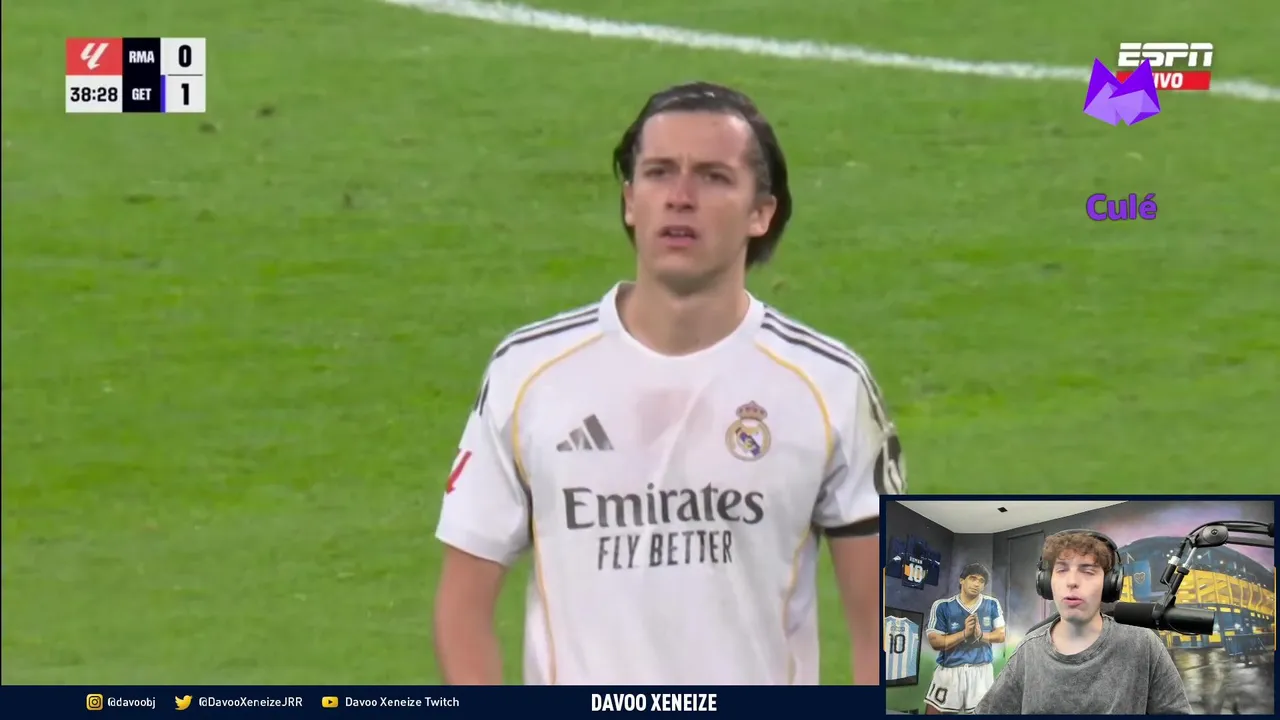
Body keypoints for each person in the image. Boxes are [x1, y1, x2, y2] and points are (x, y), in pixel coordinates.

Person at [431, 81, 906, 685]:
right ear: (630, 200)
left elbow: (888, 628)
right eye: (659, 173)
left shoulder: (829, 385)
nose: (680, 198)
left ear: (761, 213)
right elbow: (463, 607)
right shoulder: (528, 373)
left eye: (713, 177)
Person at [974, 530, 1192, 714]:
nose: (1072, 582)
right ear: (1047, 582)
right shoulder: (1028, 650)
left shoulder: (1144, 645)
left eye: (1088, 571)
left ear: (1110, 583)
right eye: (1061, 570)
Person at [923, 563, 1004, 713]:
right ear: (962, 580)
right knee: (935, 712)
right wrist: (964, 634)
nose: (977, 584)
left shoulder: (992, 604)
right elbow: (936, 642)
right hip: (950, 669)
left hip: (981, 670)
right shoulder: (942, 606)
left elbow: (1000, 635)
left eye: (981, 581)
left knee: (982, 712)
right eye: (973, 578)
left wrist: (980, 636)